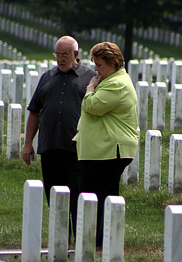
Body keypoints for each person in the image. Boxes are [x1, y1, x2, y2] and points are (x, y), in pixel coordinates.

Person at [23, 35, 96, 241]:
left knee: (77, 194)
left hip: (77, 148)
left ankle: (79, 238)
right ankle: (60, 238)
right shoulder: (47, 77)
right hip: (50, 146)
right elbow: (34, 111)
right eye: (57, 55)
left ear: (75, 54)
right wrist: (28, 143)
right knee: (53, 195)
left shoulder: (91, 77)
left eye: (65, 55)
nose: (60, 59)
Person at [73, 42, 138, 247]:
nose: (96, 70)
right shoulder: (114, 80)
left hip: (108, 149)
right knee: (106, 195)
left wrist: (90, 87)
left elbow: (91, 105)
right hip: (104, 149)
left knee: (91, 195)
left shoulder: (116, 84)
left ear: (113, 63)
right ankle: (104, 240)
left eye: (99, 65)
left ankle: (93, 240)